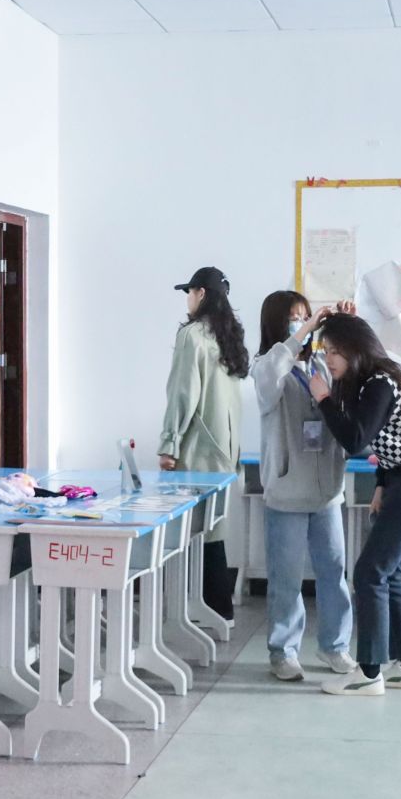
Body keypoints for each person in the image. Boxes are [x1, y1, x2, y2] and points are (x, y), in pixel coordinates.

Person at [309, 312, 401, 697]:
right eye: (326, 351)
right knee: (390, 573)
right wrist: (383, 485)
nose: (329, 359)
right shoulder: (376, 381)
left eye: (335, 351)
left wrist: (323, 399)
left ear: (356, 350)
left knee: (369, 573)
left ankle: (368, 673)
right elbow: (389, 440)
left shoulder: (379, 384)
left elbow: (356, 439)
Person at [252, 291, 356, 681]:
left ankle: (335, 646)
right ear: (277, 324)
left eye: (307, 316)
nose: (303, 322)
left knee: (334, 572)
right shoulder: (267, 367)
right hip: (286, 493)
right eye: (295, 317)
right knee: (286, 578)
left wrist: (347, 327)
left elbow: (356, 376)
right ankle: (283, 651)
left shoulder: (322, 364)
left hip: (326, 491)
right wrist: (303, 333)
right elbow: (270, 375)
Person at [158, 265, 248, 621]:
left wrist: (170, 444)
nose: (188, 300)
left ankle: (201, 612)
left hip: (198, 446)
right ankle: (219, 612)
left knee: (191, 533)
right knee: (213, 531)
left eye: (190, 292)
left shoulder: (192, 335)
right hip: (226, 447)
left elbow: (183, 393)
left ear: (202, 294)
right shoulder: (228, 337)